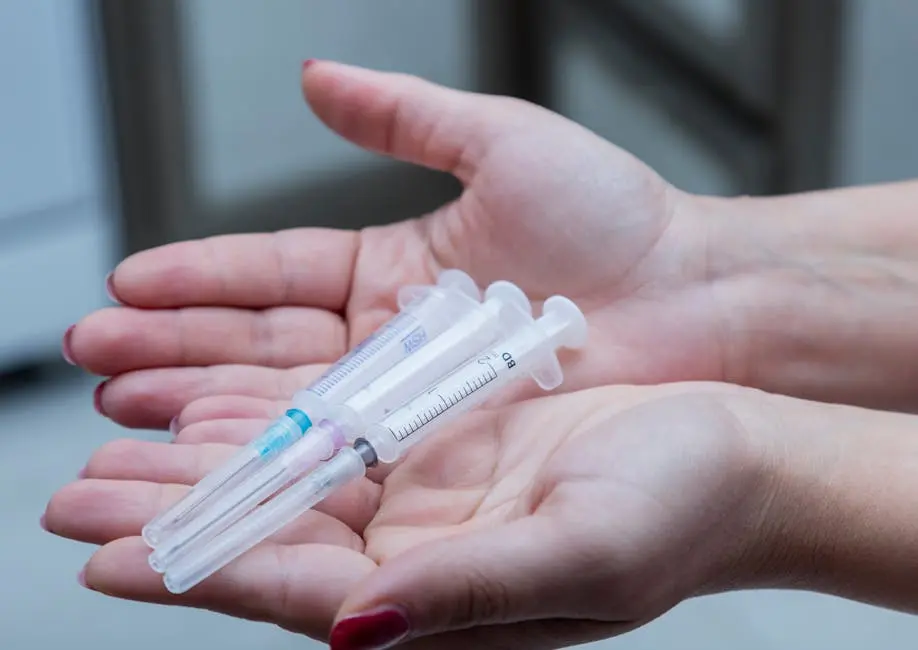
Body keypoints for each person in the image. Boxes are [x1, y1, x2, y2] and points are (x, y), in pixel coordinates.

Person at [43, 60, 918, 650]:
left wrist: (776, 480)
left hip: (354, 430)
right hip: (342, 421)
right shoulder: (436, 343)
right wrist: (713, 261)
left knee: (314, 453)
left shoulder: (472, 359)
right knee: (295, 452)